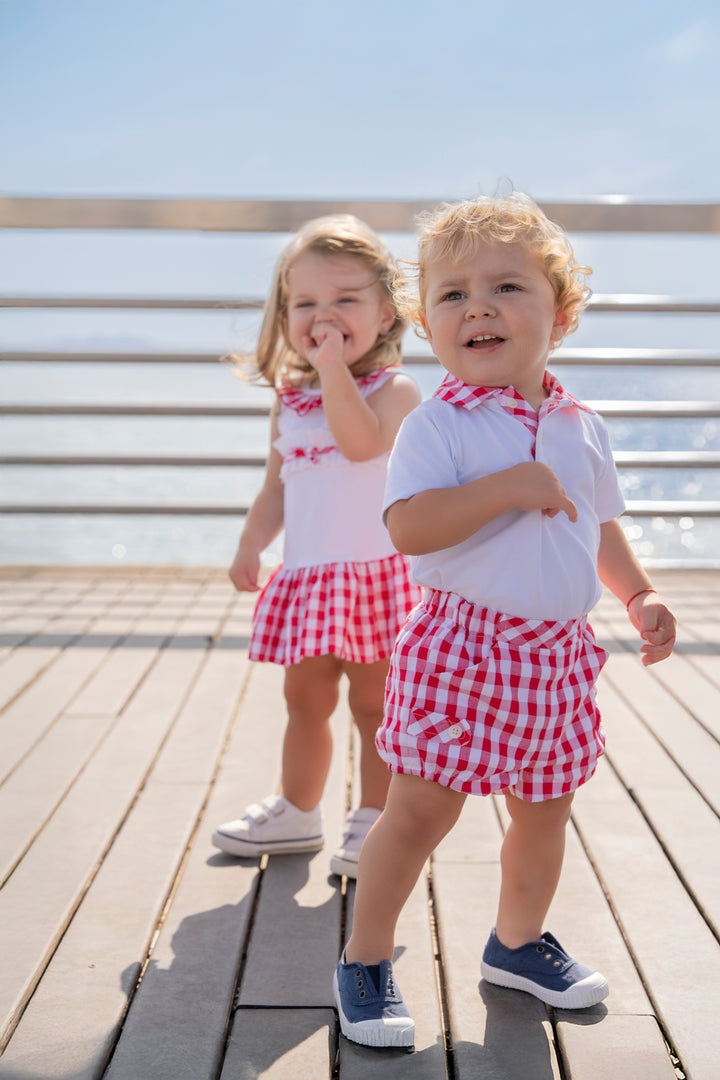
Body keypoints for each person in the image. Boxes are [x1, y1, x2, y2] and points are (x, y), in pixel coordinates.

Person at [333, 193, 677, 1048]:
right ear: (427, 325)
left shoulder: (581, 425)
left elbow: (598, 525)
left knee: (545, 808)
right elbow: (409, 528)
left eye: (506, 287)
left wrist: (637, 595)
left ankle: (516, 944)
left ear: (560, 313)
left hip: (556, 655)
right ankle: (364, 960)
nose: (478, 307)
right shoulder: (437, 425)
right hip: (462, 647)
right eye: (453, 295)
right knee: (419, 812)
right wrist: (503, 490)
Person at [212, 214, 422, 878]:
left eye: (345, 299)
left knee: (375, 705)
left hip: (374, 579)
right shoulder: (291, 400)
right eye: (305, 303)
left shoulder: (396, 391)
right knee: (304, 700)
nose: (323, 316)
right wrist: (251, 543)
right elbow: (276, 487)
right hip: (310, 579)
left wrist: (331, 368)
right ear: (284, 316)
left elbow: (361, 445)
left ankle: (375, 820)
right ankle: (299, 809)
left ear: (386, 312)